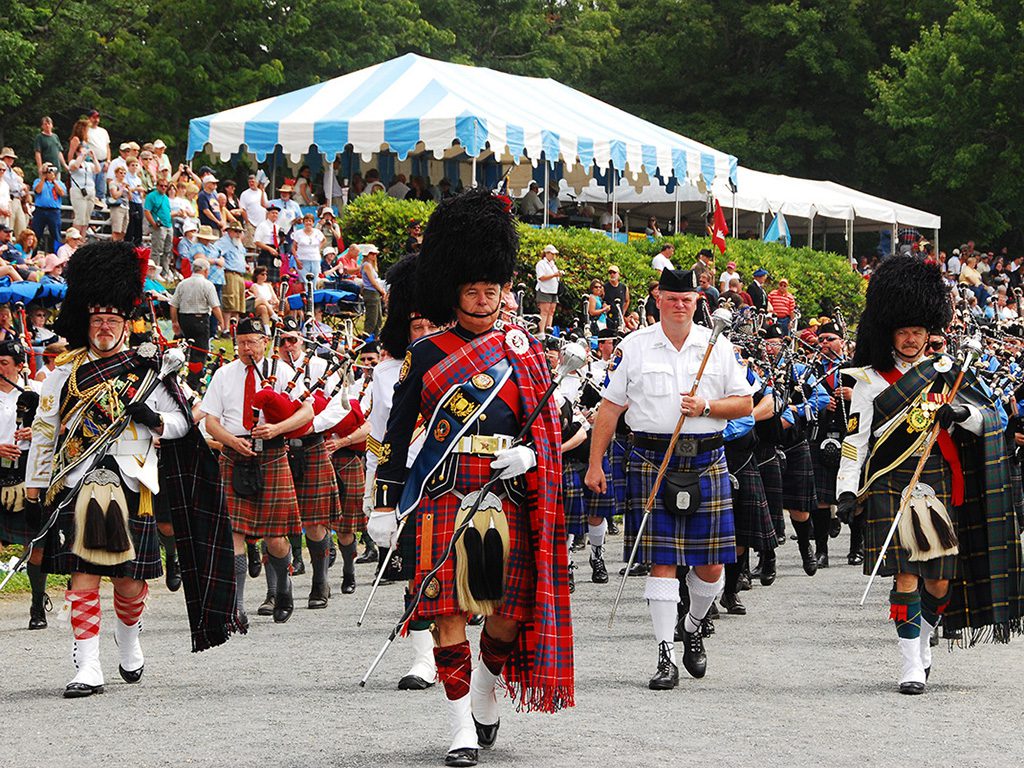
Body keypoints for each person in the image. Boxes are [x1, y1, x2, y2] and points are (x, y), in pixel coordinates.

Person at [372, 189, 573, 766]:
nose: (483, 299)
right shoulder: (428, 353)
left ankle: (486, 683)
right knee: (444, 611)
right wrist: (385, 503)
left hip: (506, 490)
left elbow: (549, 430)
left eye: (492, 289)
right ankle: (460, 724)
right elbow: (393, 432)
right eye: (472, 289)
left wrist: (532, 458)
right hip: (443, 489)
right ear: (453, 290)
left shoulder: (525, 352)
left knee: (509, 613)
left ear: (504, 289)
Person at [23, 242, 228, 698]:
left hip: (136, 481)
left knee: (131, 584)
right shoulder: (63, 373)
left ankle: (128, 637)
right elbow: (43, 431)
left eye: (112, 321)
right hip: (79, 480)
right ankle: (88, 665)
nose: (104, 328)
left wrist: (155, 420)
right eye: (97, 321)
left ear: (124, 323)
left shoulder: (149, 370)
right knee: (83, 576)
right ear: (86, 322)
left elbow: (185, 420)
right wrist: (36, 487)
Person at [837, 255, 1023, 695]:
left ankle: (925, 638)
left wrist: (959, 413)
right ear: (890, 331)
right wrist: (846, 489)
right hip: (888, 482)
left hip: (936, 480)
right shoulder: (866, 380)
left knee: (938, 581)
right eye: (902, 331)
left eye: (918, 331)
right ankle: (909, 666)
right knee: (906, 576)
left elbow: (988, 421)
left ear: (928, 333)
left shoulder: (947, 375)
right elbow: (855, 442)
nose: (909, 338)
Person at [585, 268, 756, 690]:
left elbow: (745, 403)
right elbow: (609, 410)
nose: (680, 304)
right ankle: (665, 654)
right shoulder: (634, 347)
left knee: (712, 566)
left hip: (706, 458)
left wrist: (706, 406)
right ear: (658, 298)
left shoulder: (717, 345)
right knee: (661, 563)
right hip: (651, 458)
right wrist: (594, 464)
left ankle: (693, 624)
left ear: (698, 301)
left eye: (688, 298)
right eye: (672, 297)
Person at [201, 316, 313, 625]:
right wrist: (230, 443)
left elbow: (307, 410)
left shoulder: (283, 372)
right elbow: (211, 421)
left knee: (275, 539)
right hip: (235, 454)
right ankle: (236, 607)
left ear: (265, 342)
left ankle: (284, 589)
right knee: (233, 533)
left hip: (273, 454)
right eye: (241, 343)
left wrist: (278, 428)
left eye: (252, 342)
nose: (246, 348)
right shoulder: (223, 375)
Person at [274, 317, 343, 609]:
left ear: (302, 341)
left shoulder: (319, 367)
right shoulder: (270, 370)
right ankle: (277, 589)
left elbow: (341, 403)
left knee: (314, 523)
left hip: (311, 444)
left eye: (293, 339)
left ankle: (320, 581)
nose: (288, 345)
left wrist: (312, 425)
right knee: (275, 522)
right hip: (278, 448)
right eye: (283, 341)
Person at [0, 338, 47, 630]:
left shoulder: (37, 393)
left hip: (29, 474)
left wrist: (38, 430)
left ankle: (37, 604)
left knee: (36, 543)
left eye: (4, 363)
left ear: (20, 366)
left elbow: (61, 427)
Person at [170, 257, 224, 389]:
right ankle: (193, 383)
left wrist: (175, 322)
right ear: (205, 271)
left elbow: (173, 305)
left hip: (184, 318)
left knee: (181, 348)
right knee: (199, 351)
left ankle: (174, 377)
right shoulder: (207, 285)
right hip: (200, 319)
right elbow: (215, 306)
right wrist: (222, 322)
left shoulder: (183, 284)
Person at [213, 222, 248, 327]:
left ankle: (234, 328)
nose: (238, 234)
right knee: (229, 302)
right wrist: (220, 261)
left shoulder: (239, 243)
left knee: (238, 304)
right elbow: (215, 252)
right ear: (229, 231)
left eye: (240, 231)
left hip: (240, 274)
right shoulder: (224, 242)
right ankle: (226, 328)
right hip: (229, 273)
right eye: (235, 231)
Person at [144, 178, 174, 278]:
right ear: (157, 186)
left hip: (168, 225)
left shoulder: (165, 197)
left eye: (166, 186)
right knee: (157, 250)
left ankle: (165, 271)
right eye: (161, 185)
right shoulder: (151, 196)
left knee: (167, 250)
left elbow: (168, 212)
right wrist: (153, 224)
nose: (164, 188)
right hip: (159, 226)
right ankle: (154, 272)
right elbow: (147, 211)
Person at [31, 164, 65, 250]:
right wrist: (43, 178)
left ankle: (56, 253)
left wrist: (53, 181)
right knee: (36, 233)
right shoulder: (37, 181)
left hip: (54, 211)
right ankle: (32, 253)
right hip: (40, 210)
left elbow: (61, 193)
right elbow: (38, 190)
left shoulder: (59, 183)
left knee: (56, 234)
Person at [1, 148, 29, 237]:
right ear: (3, 158)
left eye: (12, 158)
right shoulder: (3, 170)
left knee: (21, 228)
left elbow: (19, 182)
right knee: (9, 228)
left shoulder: (11, 171)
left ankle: (19, 249)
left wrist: (22, 187)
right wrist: (22, 187)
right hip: (10, 199)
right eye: (8, 157)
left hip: (17, 200)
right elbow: (12, 185)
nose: (11, 160)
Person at [534, 244, 561, 337]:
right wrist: (554, 275)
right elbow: (541, 277)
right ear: (547, 253)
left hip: (554, 291)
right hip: (544, 290)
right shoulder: (541, 264)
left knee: (551, 311)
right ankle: (541, 331)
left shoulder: (553, 265)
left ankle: (548, 330)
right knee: (544, 311)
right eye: (552, 254)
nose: (553, 256)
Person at [291, 212, 325, 285]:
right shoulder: (298, 233)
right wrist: (296, 259)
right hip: (302, 260)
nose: (308, 223)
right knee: (305, 281)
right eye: (306, 221)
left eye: (310, 221)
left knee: (314, 281)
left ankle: (313, 295)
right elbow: (293, 247)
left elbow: (324, 240)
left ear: (313, 223)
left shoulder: (317, 232)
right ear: (303, 223)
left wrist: (318, 248)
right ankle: (306, 295)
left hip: (315, 259)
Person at [360, 245, 387, 335]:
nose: (374, 255)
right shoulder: (367, 265)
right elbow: (373, 282)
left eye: (375, 254)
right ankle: (365, 340)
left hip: (374, 293)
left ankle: (374, 339)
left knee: (378, 319)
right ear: (367, 254)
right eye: (372, 253)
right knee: (372, 319)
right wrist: (383, 291)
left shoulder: (370, 265)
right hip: (371, 293)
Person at [603, 264, 630, 334]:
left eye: (614, 273)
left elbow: (627, 300)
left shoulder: (623, 287)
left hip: (619, 317)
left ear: (618, 274)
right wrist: (604, 305)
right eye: (610, 273)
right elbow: (602, 299)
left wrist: (623, 312)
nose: (612, 275)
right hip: (608, 316)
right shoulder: (605, 287)